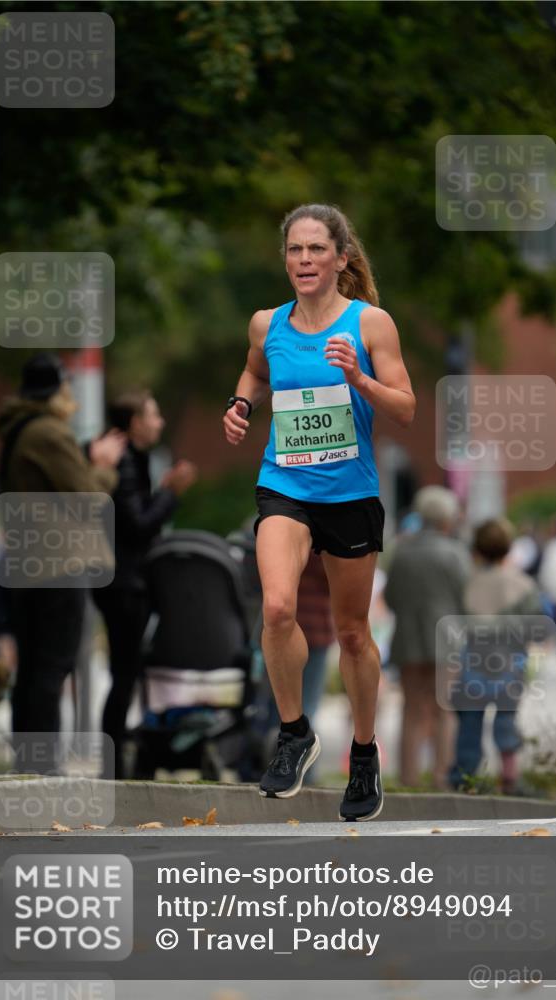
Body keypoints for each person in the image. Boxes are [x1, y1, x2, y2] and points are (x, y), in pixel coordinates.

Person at [223, 203, 415, 821]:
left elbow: (406, 409)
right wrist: (241, 405)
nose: (303, 260)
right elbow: (254, 373)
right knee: (277, 606)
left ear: (340, 259)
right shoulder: (266, 324)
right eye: (294, 250)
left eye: (315, 250)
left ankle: (364, 752)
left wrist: (359, 377)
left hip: (350, 494)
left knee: (353, 633)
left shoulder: (371, 324)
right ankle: (294, 732)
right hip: (285, 484)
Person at [0, 352, 125, 765]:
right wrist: (104, 466)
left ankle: (28, 765)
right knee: (51, 668)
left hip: (29, 565)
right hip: (58, 567)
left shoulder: (19, 430)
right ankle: (43, 767)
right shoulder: (48, 432)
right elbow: (88, 497)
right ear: (56, 391)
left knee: (33, 670)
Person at [92, 390, 197, 778]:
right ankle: (114, 766)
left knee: (127, 672)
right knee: (125, 672)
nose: (160, 422)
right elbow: (135, 524)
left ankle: (118, 761)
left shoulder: (131, 458)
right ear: (135, 422)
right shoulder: (125, 461)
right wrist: (170, 494)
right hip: (124, 582)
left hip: (120, 578)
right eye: (153, 415)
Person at [384, 486, 472, 789]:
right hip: (446, 638)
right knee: (444, 710)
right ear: (446, 518)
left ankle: (408, 779)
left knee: (410, 708)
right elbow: (467, 599)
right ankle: (440, 777)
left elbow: (391, 597)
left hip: (407, 636)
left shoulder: (402, 551)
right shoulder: (455, 553)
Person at [448, 518, 543, 794]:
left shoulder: (468, 583)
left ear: (476, 549)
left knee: (469, 720)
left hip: (473, 660)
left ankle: (465, 777)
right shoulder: (523, 584)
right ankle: (511, 777)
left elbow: (456, 624)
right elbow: (536, 626)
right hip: (510, 662)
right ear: (509, 548)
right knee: (505, 719)